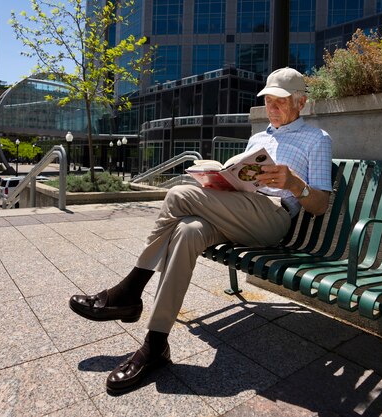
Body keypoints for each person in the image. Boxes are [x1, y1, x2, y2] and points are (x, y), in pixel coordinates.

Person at [69, 67, 333, 394]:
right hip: (238, 208)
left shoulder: (317, 140)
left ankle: (129, 291)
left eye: (280, 102)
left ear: (301, 102)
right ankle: (156, 344)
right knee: (187, 230)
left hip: (272, 218)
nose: (272, 108)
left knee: (178, 194)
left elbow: (321, 205)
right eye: (268, 101)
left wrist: (295, 184)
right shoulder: (258, 138)